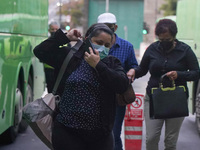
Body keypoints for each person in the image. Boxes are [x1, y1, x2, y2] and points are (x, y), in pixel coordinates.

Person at [33, 23, 129, 150]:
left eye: (107, 45)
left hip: (100, 135)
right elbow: (40, 51)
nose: (102, 48)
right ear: (87, 39)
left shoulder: (111, 63)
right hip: (67, 131)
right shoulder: (70, 57)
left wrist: (98, 65)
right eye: (99, 42)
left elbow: (122, 85)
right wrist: (65, 37)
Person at [132, 19, 200, 150]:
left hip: (176, 99)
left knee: (170, 141)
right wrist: (132, 72)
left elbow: (196, 73)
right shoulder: (152, 49)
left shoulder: (185, 50)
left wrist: (179, 74)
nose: (163, 43)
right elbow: (142, 69)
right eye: (161, 40)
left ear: (174, 36)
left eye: (167, 40)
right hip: (153, 98)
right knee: (151, 138)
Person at [97, 12, 138, 150]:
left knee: (114, 134)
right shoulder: (93, 45)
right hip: (94, 96)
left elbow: (134, 65)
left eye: (110, 26)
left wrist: (133, 71)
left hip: (117, 97)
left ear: (115, 27)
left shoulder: (127, 46)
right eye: (104, 26)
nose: (108, 29)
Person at [44, 21, 59, 93]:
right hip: (49, 69)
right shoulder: (46, 41)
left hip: (59, 70)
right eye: (52, 29)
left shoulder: (65, 41)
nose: (54, 31)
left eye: (56, 29)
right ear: (49, 30)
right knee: (50, 89)